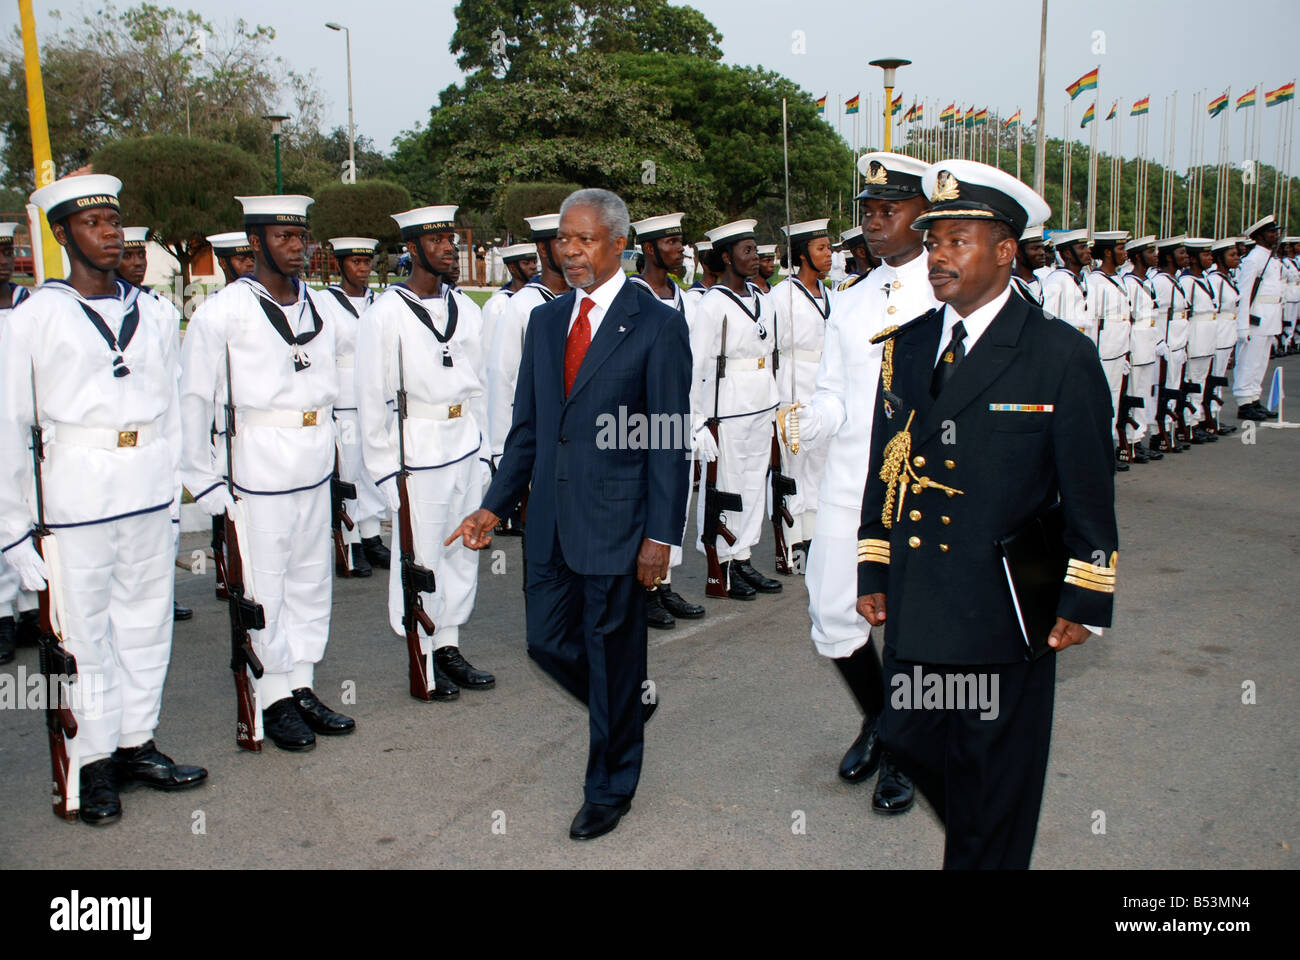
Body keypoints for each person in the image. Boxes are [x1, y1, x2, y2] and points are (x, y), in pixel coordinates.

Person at [856, 159, 1117, 869]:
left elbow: (1089, 489)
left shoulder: (1058, 356)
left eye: (957, 241)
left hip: (1005, 606)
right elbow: (887, 468)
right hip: (917, 598)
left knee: (997, 774)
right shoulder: (906, 349)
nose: (938, 255)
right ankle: (978, 838)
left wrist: (1085, 593)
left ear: (1005, 251)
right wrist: (872, 564)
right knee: (909, 737)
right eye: (934, 239)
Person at [446, 188, 691, 840]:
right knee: (546, 643)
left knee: (611, 655)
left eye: (584, 239)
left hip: (620, 523)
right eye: (563, 239)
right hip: (550, 520)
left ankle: (608, 787)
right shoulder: (547, 321)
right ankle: (622, 713)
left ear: (618, 244)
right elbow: (529, 427)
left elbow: (669, 438)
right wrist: (494, 506)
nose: (570, 251)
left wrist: (662, 535)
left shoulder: (657, 322)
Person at [0, 174, 208, 825]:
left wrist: (176, 497)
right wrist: (13, 532)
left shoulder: (154, 311)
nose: (112, 233)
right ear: (63, 234)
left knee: (144, 629)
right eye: (95, 224)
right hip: (74, 502)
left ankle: (134, 743)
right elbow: (9, 428)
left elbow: (172, 410)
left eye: (116, 221)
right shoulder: (33, 317)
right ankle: (89, 764)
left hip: (147, 495)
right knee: (82, 637)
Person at [180, 193, 355, 752]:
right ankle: (271, 696)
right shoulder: (221, 313)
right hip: (255, 467)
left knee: (310, 583)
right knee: (265, 589)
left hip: (312, 462)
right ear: (254, 243)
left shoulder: (321, 308)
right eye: (283, 237)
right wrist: (205, 482)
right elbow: (193, 401)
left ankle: (300, 685)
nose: (298, 247)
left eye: (302, 236)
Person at [795, 151, 932, 813]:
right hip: (853, 487)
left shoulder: (949, 292)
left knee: (909, 630)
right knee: (832, 616)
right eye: (868, 213)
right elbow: (836, 395)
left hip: (923, 493)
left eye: (889, 210)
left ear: (925, 213)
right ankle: (880, 715)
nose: (874, 225)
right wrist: (807, 419)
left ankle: (905, 750)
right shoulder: (849, 304)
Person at [354, 205, 495, 702]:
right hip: (417, 449)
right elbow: (373, 400)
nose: (448, 248)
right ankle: (422, 648)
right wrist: (385, 472)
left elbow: (482, 390)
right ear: (412, 249)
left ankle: (449, 644)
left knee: (462, 552)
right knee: (420, 556)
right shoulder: (385, 315)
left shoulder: (469, 310)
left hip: (464, 444)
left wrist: (485, 454)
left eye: (450, 239)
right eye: (436, 240)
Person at [690, 219, 783, 599]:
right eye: (747, 250)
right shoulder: (712, 305)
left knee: (752, 484)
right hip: (727, 409)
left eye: (756, 250)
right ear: (726, 257)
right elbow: (696, 366)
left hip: (762, 402)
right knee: (726, 486)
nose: (755, 257)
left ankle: (743, 557)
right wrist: (696, 423)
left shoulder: (761, 297)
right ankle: (723, 565)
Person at [628, 212, 705, 629]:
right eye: (672, 242)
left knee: (675, 496)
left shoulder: (685, 298)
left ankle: (664, 579)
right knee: (645, 499)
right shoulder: (631, 297)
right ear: (650, 248)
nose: (680, 249)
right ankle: (643, 589)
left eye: (681, 242)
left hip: (681, 413)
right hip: (641, 419)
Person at [117, 226, 197, 616]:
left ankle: (162, 592)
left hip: (157, 430)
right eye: (127, 256)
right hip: (110, 441)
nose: (136, 264)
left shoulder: (159, 310)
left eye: (140, 257)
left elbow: (172, 379)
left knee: (164, 519)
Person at [486, 213, 567, 531]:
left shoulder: (586, 300)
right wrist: (503, 454)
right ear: (544, 251)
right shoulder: (521, 306)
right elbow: (502, 378)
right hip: (540, 441)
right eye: (562, 242)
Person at [319, 237, 390, 577]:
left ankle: (371, 535)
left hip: (375, 396)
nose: (363, 269)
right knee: (347, 472)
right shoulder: (324, 302)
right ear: (339, 265)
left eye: (367, 262)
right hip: (343, 399)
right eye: (355, 263)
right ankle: (348, 543)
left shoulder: (380, 301)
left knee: (374, 468)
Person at [770, 218, 832, 567]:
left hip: (822, 386)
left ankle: (816, 535)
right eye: (821, 248)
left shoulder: (832, 294)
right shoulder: (783, 296)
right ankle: (791, 542)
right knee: (794, 466)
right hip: (792, 387)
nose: (828, 255)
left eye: (829, 248)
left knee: (820, 466)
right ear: (803, 254)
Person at [0, 221, 35, 663]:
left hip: (26, 421)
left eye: (8, 251)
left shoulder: (32, 304)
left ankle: (30, 608)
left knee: (29, 508)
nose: (4, 260)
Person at [1086, 230, 1138, 468]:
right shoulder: (1096, 282)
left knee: (1114, 401)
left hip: (1118, 350)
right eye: (1120, 249)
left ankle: (1110, 445)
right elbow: (1094, 323)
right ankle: (1098, 450)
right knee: (1101, 402)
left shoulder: (1118, 279)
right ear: (1107, 252)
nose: (1124, 254)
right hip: (1104, 352)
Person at [1234, 216, 1284, 419]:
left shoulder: (1270, 258)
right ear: (1260, 236)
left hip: (1270, 317)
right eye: (1271, 232)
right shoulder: (1254, 259)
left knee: (1261, 361)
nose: (1275, 235)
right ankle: (1244, 401)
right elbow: (1245, 294)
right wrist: (1242, 325)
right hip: (1256, 318)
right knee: (1249, 361)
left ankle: (1254, 397)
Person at [1122, 236, 1164, 461]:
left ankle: (1138, 438)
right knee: (1134, 393)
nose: (1155, 256)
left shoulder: (1146, 281)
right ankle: (1129, 441)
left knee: (1144, 392)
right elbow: (1128, 318)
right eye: (1150, 252)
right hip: (1136, 343)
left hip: (1148, 342)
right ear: (1137, 256)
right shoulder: (1129, 283)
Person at [1151, 237, 1193, 449]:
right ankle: (1160, 433)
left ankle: (1170, 428)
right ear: (1169, 257)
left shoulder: (1174, 280)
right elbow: (1157, 315)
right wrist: (1160, 341)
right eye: (1181, 253)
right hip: (1166, 344)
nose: (1186, 257)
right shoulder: (1160, 282)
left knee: (1173, 388)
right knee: (1163, 389)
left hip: (1177, 343)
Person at [1179, 238, 1219, 443]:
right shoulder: (1187, 281)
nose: (1210, 258)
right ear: (1194, 259)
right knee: (1192, 381)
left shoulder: (1204, 278)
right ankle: (1188, 423)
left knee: (1201, 380)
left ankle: (1198, 420)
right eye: (1205, 255)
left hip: (1207, 336)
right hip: (1195, 336)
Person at [1204, 238, 1241, 435]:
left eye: (1236, 254)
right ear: (1220, 258)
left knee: (1219, 376)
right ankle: (1209, 417)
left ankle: (1215, 416)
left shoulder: (1228, 278)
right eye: (1231, 255)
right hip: (1218, 333)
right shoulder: (1215, 280)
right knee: (1214, 377)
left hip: (1228, 332)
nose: (1236, 258)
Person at [1041, 229, 1091, 337]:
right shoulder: (1057, 279)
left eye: (1087, 247)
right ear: (1068, 253)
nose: (1088, 251)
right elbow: (1048, 317)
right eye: (1082, 247)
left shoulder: (1086, 277)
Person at [1010, 225, 1047, 309]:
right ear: (1017, 252)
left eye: (1042, 248)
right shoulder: (1009, 286)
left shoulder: (1041, 282)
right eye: (1035, 248)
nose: (1042, 252)